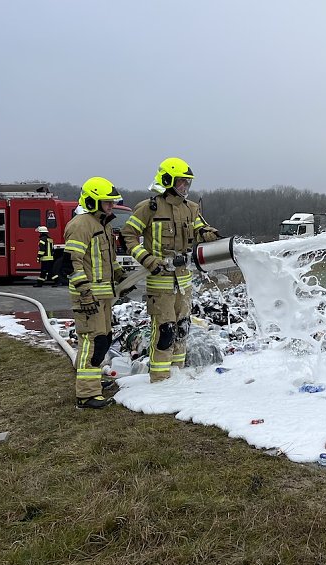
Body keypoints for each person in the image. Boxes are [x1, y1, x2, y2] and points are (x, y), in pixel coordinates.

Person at [121, 157, 220, 382]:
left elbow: (200, 228)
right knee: (165, 331)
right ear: (167, 181)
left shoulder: (191, 208)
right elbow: (128, 235)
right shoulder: (149, 208)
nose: (185, 187)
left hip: (184, 281)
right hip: (160, 281)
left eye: (187, 183)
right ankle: (160, 378)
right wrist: (147, 259)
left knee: (182, 328)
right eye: (181, 182)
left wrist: (208, 233)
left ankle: (178, 375)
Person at [64, 176, 128, 409]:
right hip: (88, 298)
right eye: (107, 202)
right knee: (93, 343)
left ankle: (94, 383)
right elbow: (72, 263)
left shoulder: (103, 225)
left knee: (104, 339)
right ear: (92, 202)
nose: (112, 206)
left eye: (112, 202)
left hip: (103, 296)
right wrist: (85, 293)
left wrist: (121, 276)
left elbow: (109, 260)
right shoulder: (81, 225)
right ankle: (86, 394)